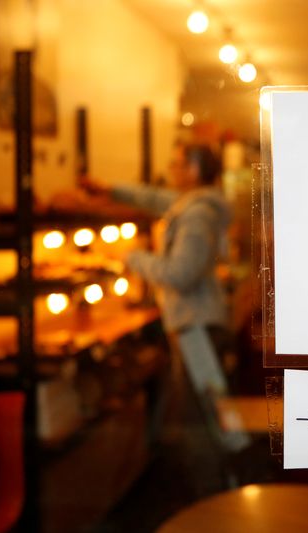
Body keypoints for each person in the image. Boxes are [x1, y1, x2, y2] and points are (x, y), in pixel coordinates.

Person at [81, 143, 248, 462]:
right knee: (210, 412)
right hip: (194, 322)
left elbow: (179, 274)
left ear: (195, 169)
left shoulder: (197, 213)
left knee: (202, 420)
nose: (172, 169)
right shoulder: (194, 205)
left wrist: (128, 256)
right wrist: (110, 190)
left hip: (196, 325)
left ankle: (218, 490)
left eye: (178, 163)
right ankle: (227, 480)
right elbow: (155, 199)